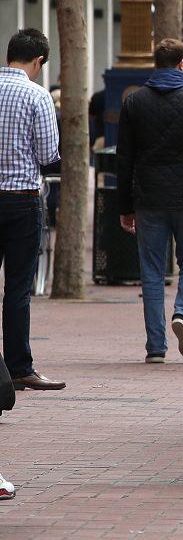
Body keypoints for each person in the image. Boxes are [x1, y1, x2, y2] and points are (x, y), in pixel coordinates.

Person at [116, 39, 183, 363]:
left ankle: (156, 347)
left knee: (151, 272)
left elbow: (125, 159)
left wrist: (125, 207)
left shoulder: (134, 102)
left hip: (148, 197)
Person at [0, 29, 64, 391]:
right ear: (38, 61)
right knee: (18, 288)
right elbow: (47, 155)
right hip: (22, 200)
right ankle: (18, 367)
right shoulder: (37, 95)